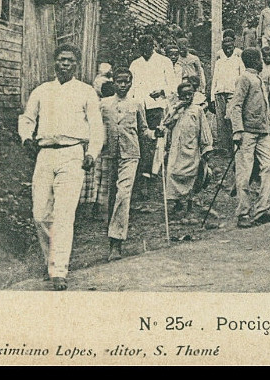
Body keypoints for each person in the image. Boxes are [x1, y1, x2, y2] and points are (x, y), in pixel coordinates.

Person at [18, 44, 103, 290]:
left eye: (70, 61)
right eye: (61, 60)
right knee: (40, 214)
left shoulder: (86, 91)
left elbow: (96, 126)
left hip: (72, 154)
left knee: (64, 216)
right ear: (54, 62)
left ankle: (59, 270)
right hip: (45, 155)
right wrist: (26, 137)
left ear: (77, 65)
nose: (65, 64)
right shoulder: (42, 90)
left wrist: (92, 153)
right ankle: (50, 262)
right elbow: (27, 118)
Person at [90, 67, 156, 262]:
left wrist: (155, 134)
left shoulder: (136, 104)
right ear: (114, 82)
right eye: (120, 81)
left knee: (123, 194)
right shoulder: (104, 104)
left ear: (131, 83)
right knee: (110, 197)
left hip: (131, 154)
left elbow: (144, 130)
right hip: (109, 154)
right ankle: (111, 235)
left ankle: (116, 242)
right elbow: (95, 127)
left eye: (127, 81)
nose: (123, 85)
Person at [228, 48, 270, 228]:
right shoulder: (244, 78)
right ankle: (243, 213)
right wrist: (237, 131)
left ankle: (262, 210)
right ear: (253, 60)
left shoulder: (258, 78)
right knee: (244, 171)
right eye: (259, 58)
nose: (262, 61)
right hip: (247, 133)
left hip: (262, 132)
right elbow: (235, 106)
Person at [129, 35, 178, 197]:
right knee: (141, 140)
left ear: (154, 46)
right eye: (142, 47)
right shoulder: (135, 64)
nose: (146, 49)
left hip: (156, 106)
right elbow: (131, 87)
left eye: (149, 46)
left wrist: (162, 91)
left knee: (155, 140)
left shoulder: (164, 62)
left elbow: (173, 85)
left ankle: (150, 174)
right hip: (139, 107)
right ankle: (140, 174)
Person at [161, 80, 214, 219]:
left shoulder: (197, 111)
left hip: (191, 149)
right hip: (176, 149)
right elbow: (166, 125)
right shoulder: (174, 109)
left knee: (192, 176)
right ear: (179, 96)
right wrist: (176, 110)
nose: (187, 98)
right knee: (173, 173)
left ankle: (189, 205)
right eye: (183, 95)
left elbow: (204, 130)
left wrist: (206, 148)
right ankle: (177, 203)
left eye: (189, 95)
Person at [210, 33, 244, 150]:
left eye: (230, 48)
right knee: (221, 121)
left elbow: (241, 79)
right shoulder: (219, 62)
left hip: (232, 94)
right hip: (219, 94)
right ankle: (223, 147)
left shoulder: (238, 61)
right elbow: (215, 79)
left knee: (231, 119)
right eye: (225, 48)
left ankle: (233, 145)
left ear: (234, 47)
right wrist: (212, 98)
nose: (228, 50)